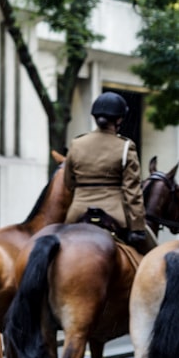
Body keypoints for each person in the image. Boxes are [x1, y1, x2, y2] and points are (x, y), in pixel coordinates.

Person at [63, 92, 148, 251]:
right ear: (119, 119)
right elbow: (133, 192)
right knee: (148, 256)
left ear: (95, 118)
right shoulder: (125, 147)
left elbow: (68, 182)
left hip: (77, 213)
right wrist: (138, 227)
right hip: (114, 214)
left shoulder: (77, 143)